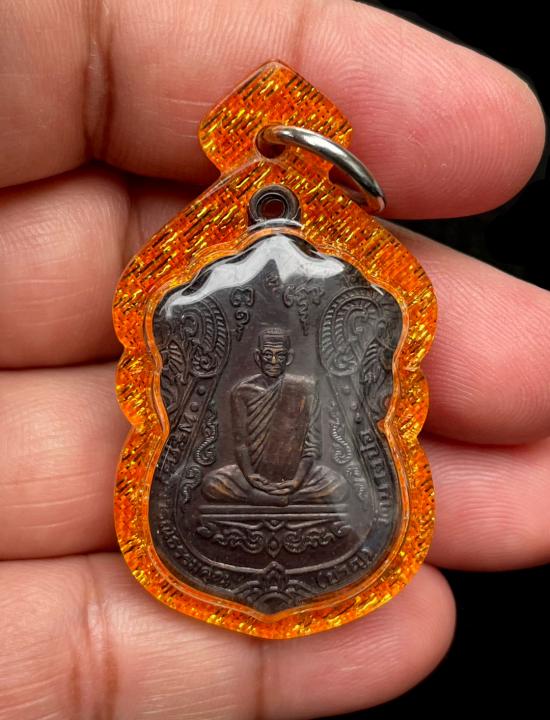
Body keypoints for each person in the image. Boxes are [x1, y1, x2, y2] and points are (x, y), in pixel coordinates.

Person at [0, 1, 547, 718]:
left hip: (306, 489)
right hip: (240, 489)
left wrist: (297, 482)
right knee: (220, 481)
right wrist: (256, 482)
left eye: (276, 347)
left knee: (328, 478)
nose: (267, 353)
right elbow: (211, 448)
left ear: (285, 347)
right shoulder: (237, 393)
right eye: (261, 347)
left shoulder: (301, 388)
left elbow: (321, 449)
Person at [202, 327, 348, 505]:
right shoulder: (241, 392)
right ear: (258, 357)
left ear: (289, 358)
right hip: (252, 476)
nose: (273, 361)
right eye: (267, 355)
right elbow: (241, 443)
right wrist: (250, 476)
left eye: (280, 355)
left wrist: (297, 481)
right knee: (212, 484)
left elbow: (312, 446)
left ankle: (277, 497)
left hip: (297, 475)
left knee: (338, 485)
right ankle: (271, 497)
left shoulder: (305, 388)